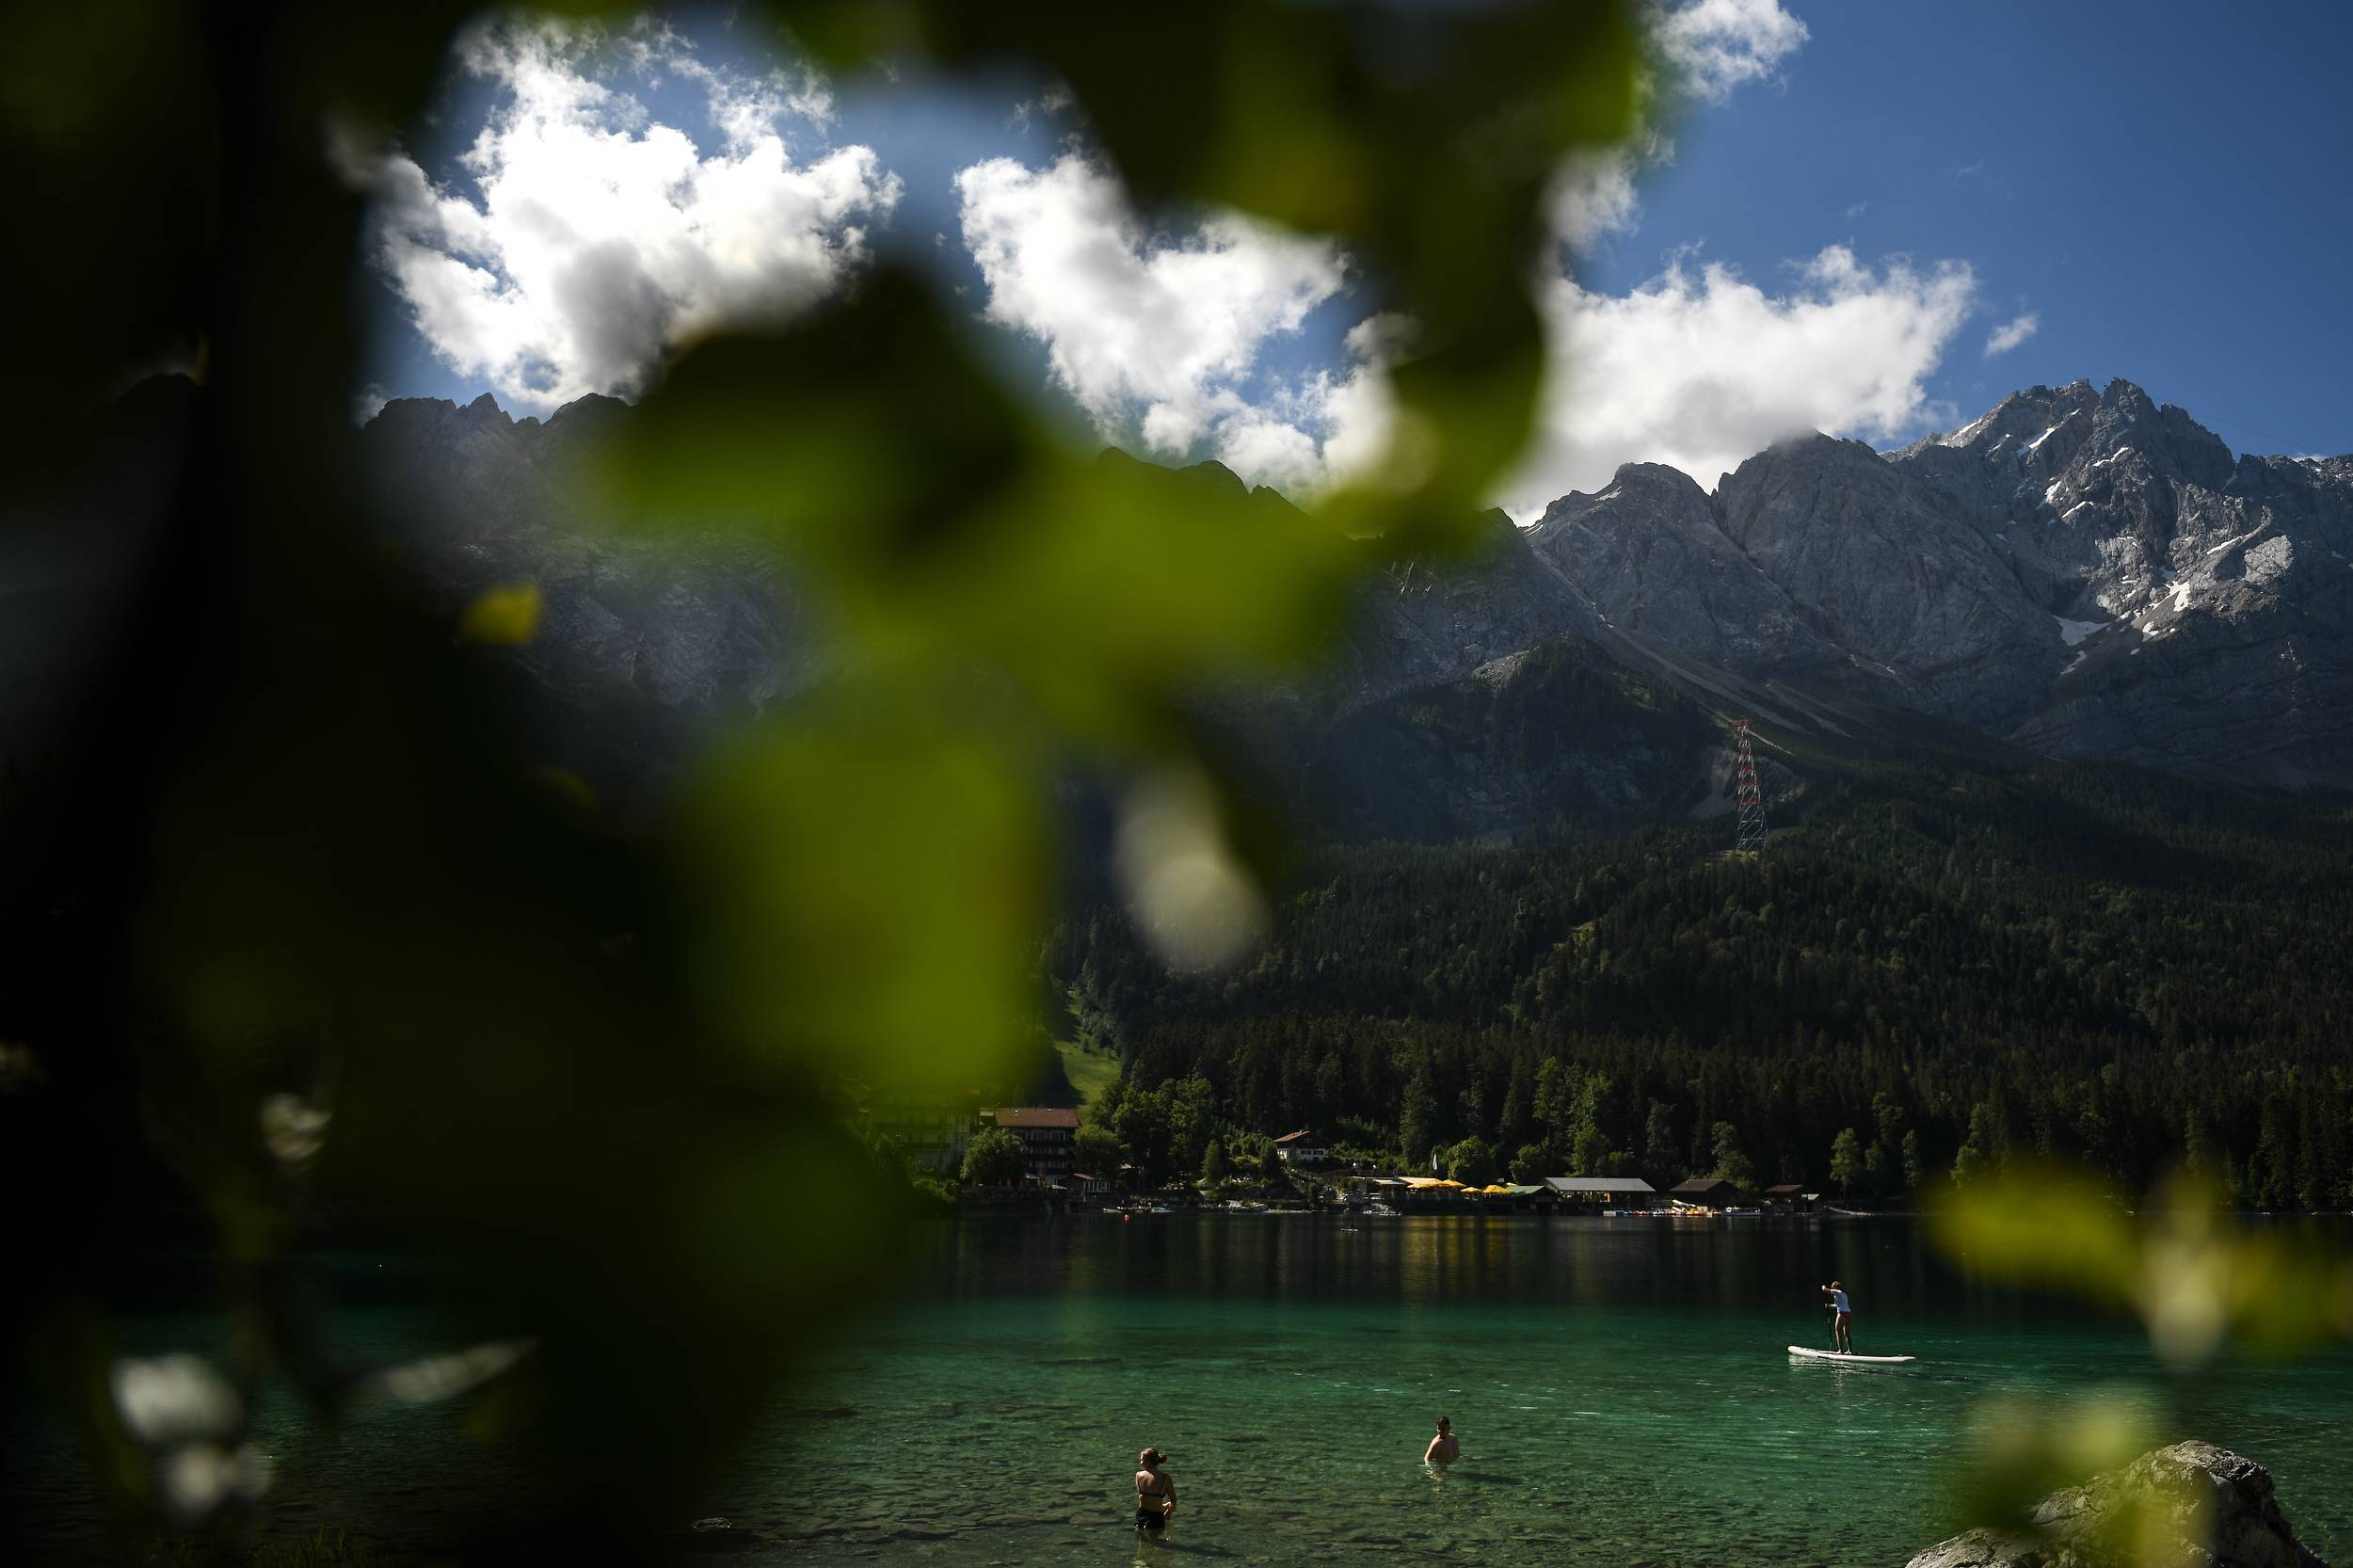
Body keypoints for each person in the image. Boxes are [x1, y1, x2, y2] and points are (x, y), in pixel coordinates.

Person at [1134, 1448, 1176, 1532]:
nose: (1140, 1462)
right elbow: (1173, 1500)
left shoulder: (1138, 1475)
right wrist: (1169, 1510)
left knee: (1142, 1541)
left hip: (1141, 1514)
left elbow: (1146, 1498)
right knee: (1156, 1541)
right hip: (1156, 1517)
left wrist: (1164, 1506)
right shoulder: (1165, 1478)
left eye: (1142, 1460)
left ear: (1149, 1461)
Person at [1822, 1280, 1854, 1353]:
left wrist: (1823, 1286)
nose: (1832, 1289)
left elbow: (1824, 1290)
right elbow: (1838, 1305)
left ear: (1835, 1287)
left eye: (1832, 1288)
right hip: (1849, 1313)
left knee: (1838, 1331)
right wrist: (1830, 1305)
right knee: (1847, 1333)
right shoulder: (1843, 1294)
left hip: (1842, 1314)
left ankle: (1841, 1350)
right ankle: (1850, 1351)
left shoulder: (1837, 1292)